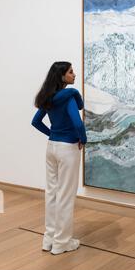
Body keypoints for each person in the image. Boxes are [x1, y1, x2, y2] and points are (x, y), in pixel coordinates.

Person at [31, 61, 87, 255]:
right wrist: (83, 139)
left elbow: (36, 122)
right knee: (65, 195)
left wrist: (51, 133)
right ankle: (62, 243)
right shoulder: (69, 97)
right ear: (63, 76)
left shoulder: (49, 97)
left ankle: (49, 239)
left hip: (52, 148)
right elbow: (77, 123)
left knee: (52, 193)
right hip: (67, 149)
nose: (74, 74)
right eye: (71, 72)